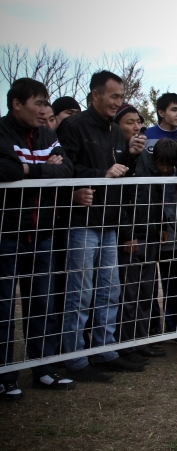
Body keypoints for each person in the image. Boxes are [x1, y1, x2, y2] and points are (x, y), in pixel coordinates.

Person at [58, 70, 147, 382]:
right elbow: (65, 168)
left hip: (109, 222)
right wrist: (100, 173)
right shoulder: (73, 125)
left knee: (110, 289)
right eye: (113, 96)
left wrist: (132, 158)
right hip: (82, 222)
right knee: (80, 293)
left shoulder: (112, 130)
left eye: (121, 97)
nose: (117, 102)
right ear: (95, 95)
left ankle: (105, 349)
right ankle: (75, 358)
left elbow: (118, 171)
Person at [0, 78, 75, 400]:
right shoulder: (2, 132)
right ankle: (4, 375)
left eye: (47, 104)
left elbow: (67, 168)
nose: (46, 110)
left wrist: (29, 169)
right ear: (17, 104)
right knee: (4, 309)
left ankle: (43, 369)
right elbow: (4, 168)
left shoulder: (47, 133)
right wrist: (41, 167)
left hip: (42, 235)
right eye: (39, 103)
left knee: (41, 306)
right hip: (7, 234)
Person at [115, 117, 177, 364]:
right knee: (129, 295)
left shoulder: (155, 170)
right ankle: (126, 345)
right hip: (134, 238)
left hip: (152, 236)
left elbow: (159, 199)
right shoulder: (132, 164)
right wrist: (128, 235)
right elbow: (124, 202)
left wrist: (163, 225)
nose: (165, 169)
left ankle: (142, 341)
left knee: (146, 293)